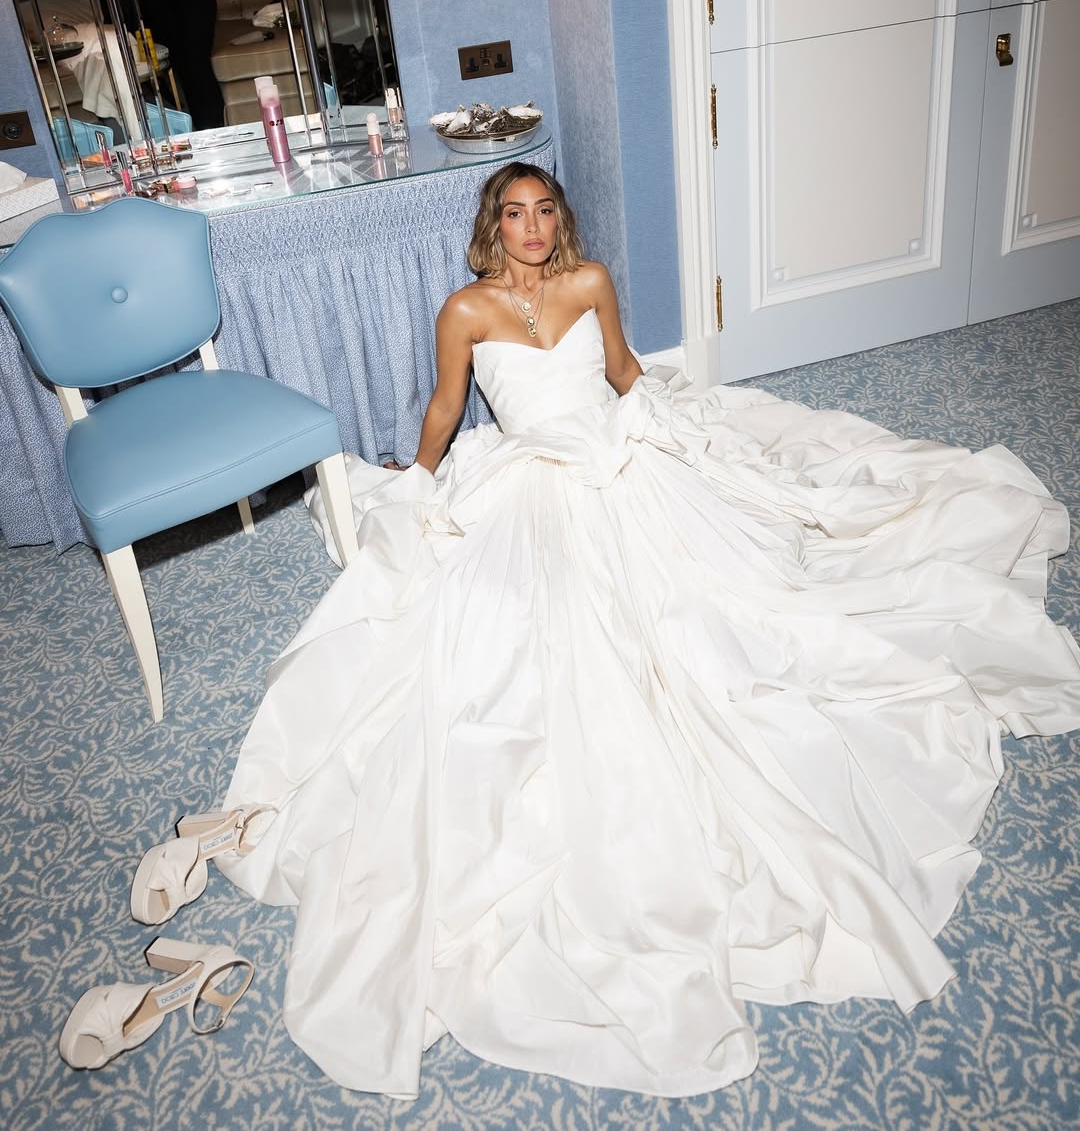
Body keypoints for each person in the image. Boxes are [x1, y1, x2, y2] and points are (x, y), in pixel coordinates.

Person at [204, 162, 1080, 1097]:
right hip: (533, 479)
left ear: (560, 219)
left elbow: (622, 371)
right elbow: (448, 407)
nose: (532, 226)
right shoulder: (464, 309)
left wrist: (675, 427)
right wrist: (417, 478)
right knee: (517, 643)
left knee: (735, 604)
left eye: (545, 210)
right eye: (515, 213)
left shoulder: (591, 280)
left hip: (617, 456)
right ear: (493, 224)